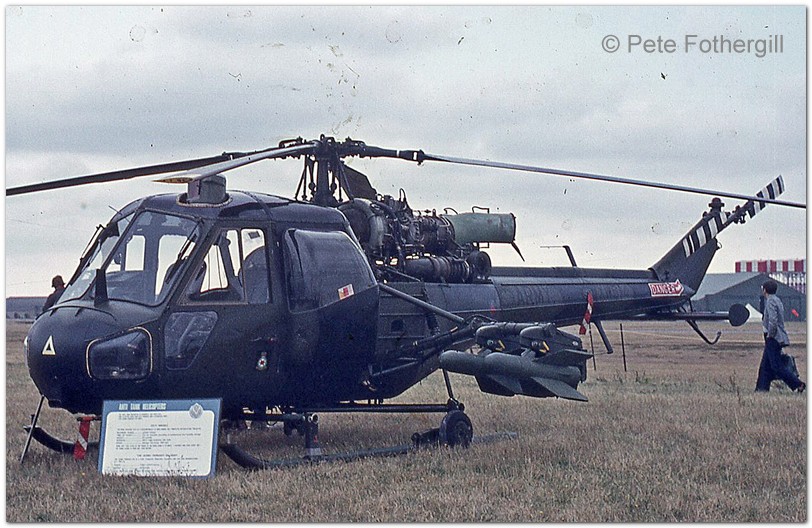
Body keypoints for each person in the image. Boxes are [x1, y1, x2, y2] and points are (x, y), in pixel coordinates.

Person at [755, 279, 805, 393]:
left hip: (773, 338)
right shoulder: (777, 300)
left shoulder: (771, 302)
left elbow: (773, 320)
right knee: (765, 366)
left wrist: (770, 335)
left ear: (765, 290)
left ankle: (798, 384)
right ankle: (761, 389)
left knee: (776, 366)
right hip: (775, 337)